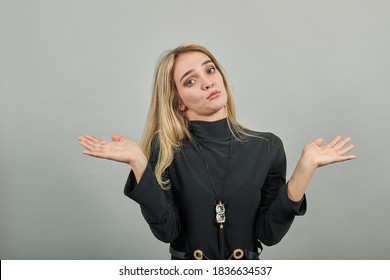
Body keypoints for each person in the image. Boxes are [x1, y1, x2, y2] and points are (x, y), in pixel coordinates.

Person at [78, 44, 356, 260]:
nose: (208, 82)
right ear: (178, 103)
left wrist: (305, 169)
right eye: (190, 81)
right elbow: (167, 231)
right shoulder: (165, 149)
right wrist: (139, 163)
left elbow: (268, 234)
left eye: (210, 70)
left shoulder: (267, 147)